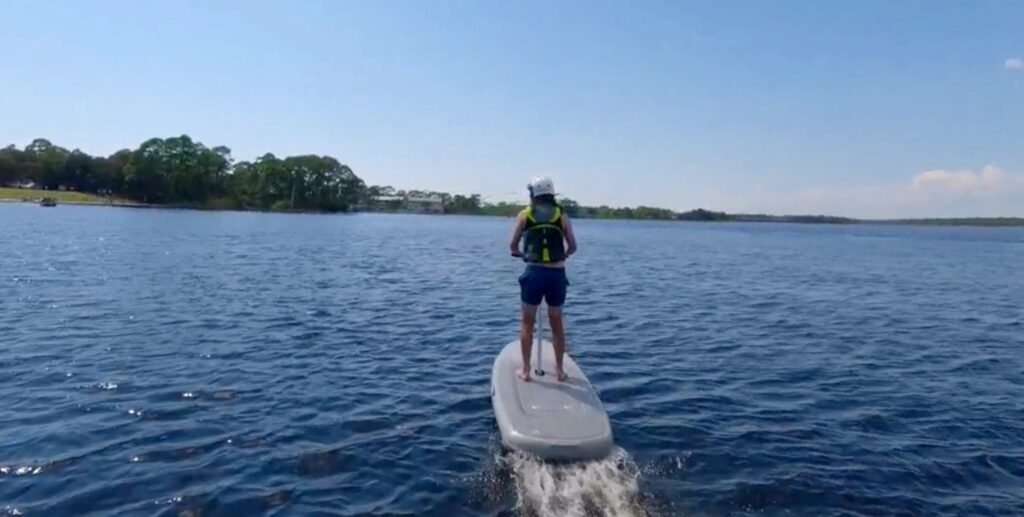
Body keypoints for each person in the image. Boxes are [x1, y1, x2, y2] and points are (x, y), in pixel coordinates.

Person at [508, 176, 577, 382]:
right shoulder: (562, 215)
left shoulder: (525, 215)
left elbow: (512, 245)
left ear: (534, 195)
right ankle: (559, 370)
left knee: (527, 323)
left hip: (534, 275)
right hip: (556, 275)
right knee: (556, 322)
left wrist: (522, 255)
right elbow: (573, 246)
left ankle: (526, 370)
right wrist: (563, 255)